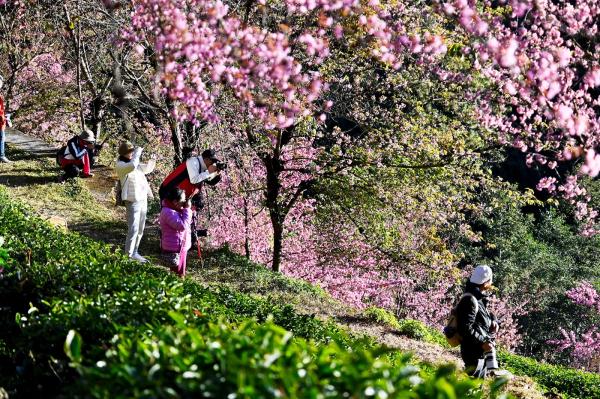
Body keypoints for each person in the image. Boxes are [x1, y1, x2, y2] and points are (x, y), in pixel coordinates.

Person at [456, 265, 511, 378]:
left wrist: (494, 321)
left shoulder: (478, 297)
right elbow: (465, 328)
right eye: (490, 280)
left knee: (477, 385)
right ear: (486, 282)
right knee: (473, 386)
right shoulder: (470, 300)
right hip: (472, 351)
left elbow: (484, 315)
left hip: (478, 350)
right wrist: (482, 342)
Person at [115, 141, 156, 262]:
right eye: (130, 152)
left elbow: (147, 169)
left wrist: (152, 159)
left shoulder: (134, 162)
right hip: (132, 200)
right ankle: (128, 255)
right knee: (133, 228)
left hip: (142, 197)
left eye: (133, 151)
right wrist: (138, 153)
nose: (132, 153)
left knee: (140, 228)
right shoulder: (121, 165)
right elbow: (132, 166)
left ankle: (135, 252)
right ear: (124, 154)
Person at [158, 148, 224, 201]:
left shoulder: (203, 167)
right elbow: (194, 179)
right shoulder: (193, 162)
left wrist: (216, 174)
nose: (213, 164)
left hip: (178, 198)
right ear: (206, 159)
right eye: (213, 161)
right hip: (168, 193)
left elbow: (210, 181)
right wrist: (209, 172)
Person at [159, 187, 192, 276]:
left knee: (180, 272)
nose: (184, 202)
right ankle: (175, 289)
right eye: (183, 199)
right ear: (175, 202)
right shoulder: (168, 212)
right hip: (174, 249)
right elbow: (182, 226)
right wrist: (187, 209)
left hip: (179, 247)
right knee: (177, 274)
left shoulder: (175, 210)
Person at [0, 75, 10, 163]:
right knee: (1, 138)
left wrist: (5, 116)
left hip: (1, 122)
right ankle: (1, 156)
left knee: (2, 138)